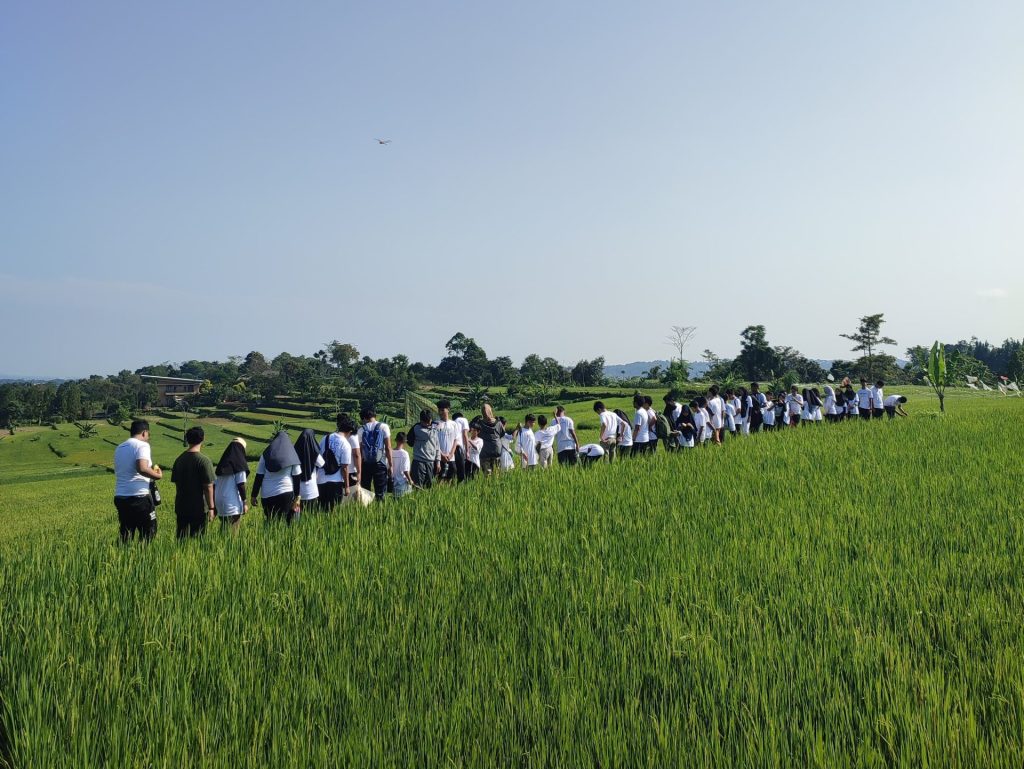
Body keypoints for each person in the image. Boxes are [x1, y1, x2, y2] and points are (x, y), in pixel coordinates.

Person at [113, 419, 162, 542]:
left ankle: (122, 554)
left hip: (121, 497)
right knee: (148, 533)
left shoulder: (120, 447)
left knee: (126, 534)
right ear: (144, 432)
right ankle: (143, 554)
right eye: (148, 434)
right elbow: (142, 468)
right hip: (139, 497)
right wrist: (157, 475)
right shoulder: (142, 445)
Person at [170, 426, 216, 539]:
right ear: (203, 438)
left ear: (187, 439)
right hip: (198, 508)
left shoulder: (179, 459)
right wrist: (211, 508)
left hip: (181, 506)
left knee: (181, 539)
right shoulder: (204, 461)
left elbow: (177, 483)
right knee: (198, 539)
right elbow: (208, 487)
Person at [251, 430, 303, 524]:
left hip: (267, 495)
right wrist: (297, 496)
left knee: (270, 521)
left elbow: (259, 476)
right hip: (285, 494)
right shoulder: (291, 453)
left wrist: (254, 495)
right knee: (285, 522)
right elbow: (297, 477)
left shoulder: (266, 454)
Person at [357, 407, 393, 502]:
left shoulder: (361, 430)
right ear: (374, 415)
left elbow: (360, 451)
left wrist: (359, 469)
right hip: (380, 463)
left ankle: (367, 508)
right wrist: (390, 465)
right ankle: (380, 508)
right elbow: (388, 447)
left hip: (366, 463)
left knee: (366, 491)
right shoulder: (384, 427)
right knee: (380, 492)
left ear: (364, 418)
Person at [317, 415, 353, 508]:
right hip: (336, 481)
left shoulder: (325, 438)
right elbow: (344, 468)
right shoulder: (345, 444)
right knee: (333, 510)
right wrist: (347, 487)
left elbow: (318, 457)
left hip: (321, 479)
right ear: (349, 432)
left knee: (322, 508)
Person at [214, 437, 249, 532]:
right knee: (233, 533)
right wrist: (245, 503)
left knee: (224, 529)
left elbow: (214, 485)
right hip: (231, 503)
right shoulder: (240, 464)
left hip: (219, 503)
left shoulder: (221, 465)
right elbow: (241, 484)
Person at [407, 409, 439, 489]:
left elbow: (437, 446)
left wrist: (438, 461)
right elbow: (428, 435)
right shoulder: (417, 428)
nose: (428, 424)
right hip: (419, 462)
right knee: (418, 487)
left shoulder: (433, 428)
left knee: (429, 487)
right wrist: (435, 427)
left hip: (431, 462)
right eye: (425, 422)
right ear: (421, 420)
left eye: (429, 421)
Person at [294, 428, 325, 512]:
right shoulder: (314, 453)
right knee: (310, 515)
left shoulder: (294, 451)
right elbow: (322, 463)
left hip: (298, 490)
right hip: (311, 490)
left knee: (298, 515)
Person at [434, 400, 461, 482]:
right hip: (439, 457)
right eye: (439, 410)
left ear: (448, 410)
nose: (440, 412)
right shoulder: (435, 424)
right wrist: (441, 455)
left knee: (451, 478)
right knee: (439, 479)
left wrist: (451, 454)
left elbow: (456, 440)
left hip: (451, 458)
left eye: (442, 410)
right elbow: (433, 441)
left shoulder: (454, 424)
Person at [475, 403, 504, 476]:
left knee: (487, 474)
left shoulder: (480, 423)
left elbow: (474, 432)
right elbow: (502, 434)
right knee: (496, 473)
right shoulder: (498, 423)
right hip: (496, 450)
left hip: (484, 451)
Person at [452, 411, 471, 483]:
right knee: (461, 471)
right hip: (458, 447)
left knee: (455, 470)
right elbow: (465, 435)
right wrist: (467, 451)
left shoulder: (453, 423)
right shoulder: (463, 420)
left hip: (452, 447)